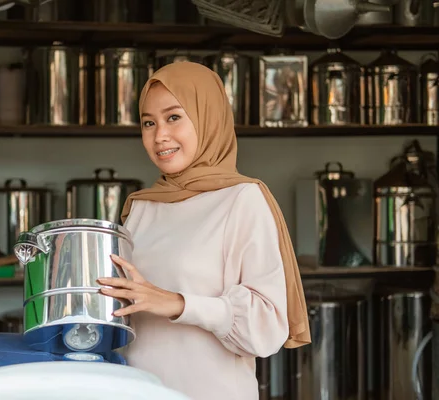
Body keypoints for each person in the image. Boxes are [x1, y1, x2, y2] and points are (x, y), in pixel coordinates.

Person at [97, 61, 311, 400]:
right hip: (138, 390)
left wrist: (179, 304)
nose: (159, 135)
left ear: (208, 117)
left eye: (174, 117)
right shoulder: (141, 206)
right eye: (148, 123)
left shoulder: (243, 199)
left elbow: (266, 327)